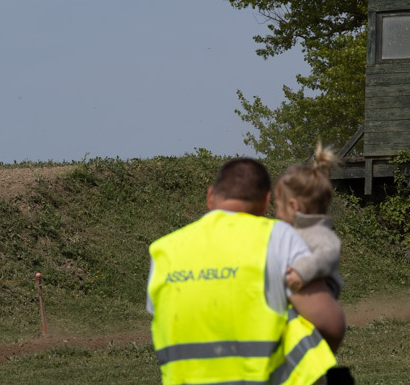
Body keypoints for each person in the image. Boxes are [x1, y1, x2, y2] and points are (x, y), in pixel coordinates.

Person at [147, 157, 345, 385]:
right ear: (266, 201)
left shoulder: (164, 250)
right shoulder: (278, 237)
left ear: (210, 196)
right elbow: (330, 324)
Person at [276, 143, 343, 299]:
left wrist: (301, 271)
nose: (277, 213)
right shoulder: (293, 231)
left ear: (293, 206)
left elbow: (329, 254)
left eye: (278, 206)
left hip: (318, 299)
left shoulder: (318, 233)